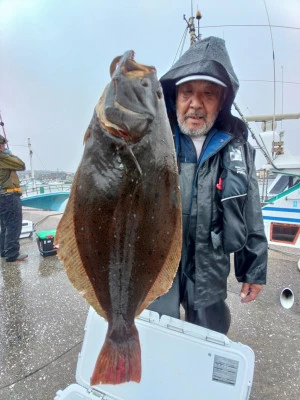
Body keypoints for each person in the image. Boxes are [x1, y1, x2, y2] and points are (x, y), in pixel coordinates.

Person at [148, 36, 268, 334]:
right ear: (174, 95)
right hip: (157, 263)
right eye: (187, 91)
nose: (195, 104)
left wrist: (253, 268)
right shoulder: (150, 140)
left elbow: (250, 210)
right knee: (157, 333)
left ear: (222, 100)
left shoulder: (237, 145)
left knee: (209, 336)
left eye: (209, 94)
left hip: (211, 265)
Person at [0, 134, 28, 262]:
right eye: (3, 145)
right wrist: (9, 154)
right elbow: (21, 165)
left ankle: (4, 251)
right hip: (9, 196)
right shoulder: (3, 157)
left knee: (5, 225)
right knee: (13, 225)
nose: (4, 147)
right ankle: (12, 254)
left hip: (2, 197)